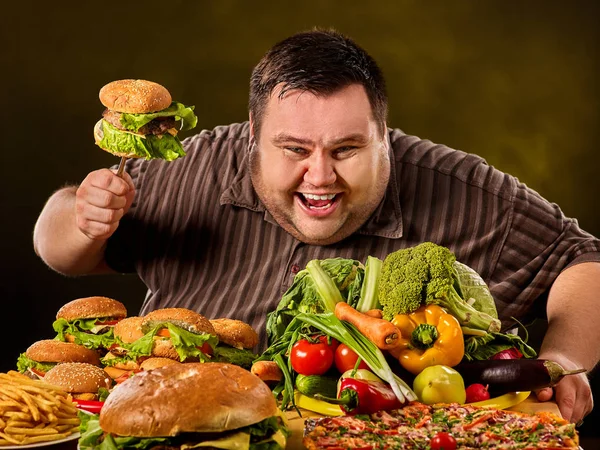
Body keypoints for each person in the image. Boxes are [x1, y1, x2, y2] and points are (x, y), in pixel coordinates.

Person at [33, 28, 598, 424]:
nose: (320, 176)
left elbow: (584, 259)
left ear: (385, 136)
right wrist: (83, 221)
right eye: (294, 149)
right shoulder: (193, 161)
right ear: (251, 135)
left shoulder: (462, 187)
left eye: (348, 148)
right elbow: (62, 251)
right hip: (177, 429)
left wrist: (567, 358)